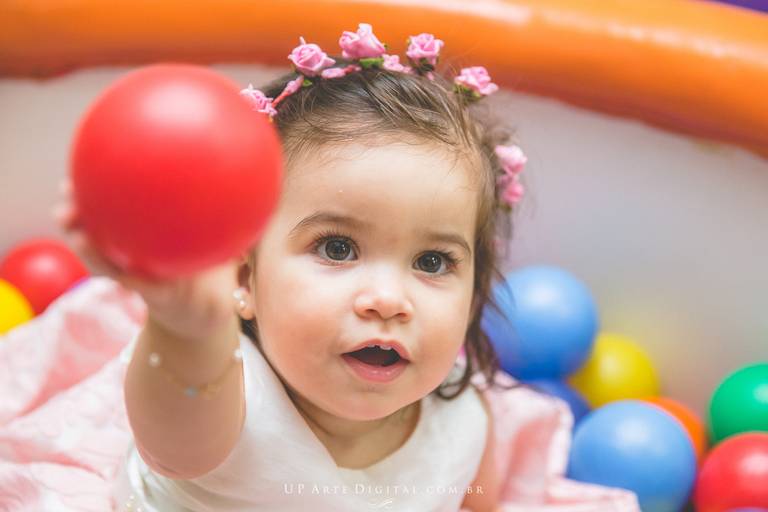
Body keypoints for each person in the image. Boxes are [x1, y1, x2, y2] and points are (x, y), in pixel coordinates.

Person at [56, 23, 530, 511]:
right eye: (337, 248)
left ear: (473, 293)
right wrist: (188, 332)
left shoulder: (463, 420)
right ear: (244, 277)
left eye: (432, 261)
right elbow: (174, 445)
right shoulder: (226, 394)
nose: (389, 300)